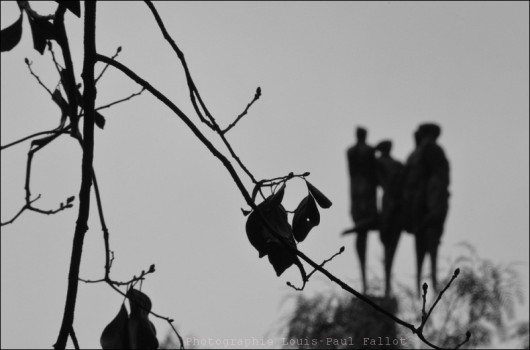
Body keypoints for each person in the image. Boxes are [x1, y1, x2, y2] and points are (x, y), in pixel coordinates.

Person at [402, 123, 450, 295]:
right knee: (424, 244)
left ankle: (429, 284)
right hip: (421, 202)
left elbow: (440, 178)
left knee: (427, 242)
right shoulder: (421, 151)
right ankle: (423, 285)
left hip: (427, 202)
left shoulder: (428, 149)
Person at [346, 126, 378, 294]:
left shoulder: (353, 151)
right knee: (361, 231)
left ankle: (365, 278)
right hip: (361, 195)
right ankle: (364, 277)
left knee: (362, 231)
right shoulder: (358, 152)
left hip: (361, 194)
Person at [375, 140, 404, 297]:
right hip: (390, 203)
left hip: (395, 203)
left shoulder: (395, 164)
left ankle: (387, 283)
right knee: (388, 243)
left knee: (390, 243)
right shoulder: (383, 164)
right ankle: (387, 283)